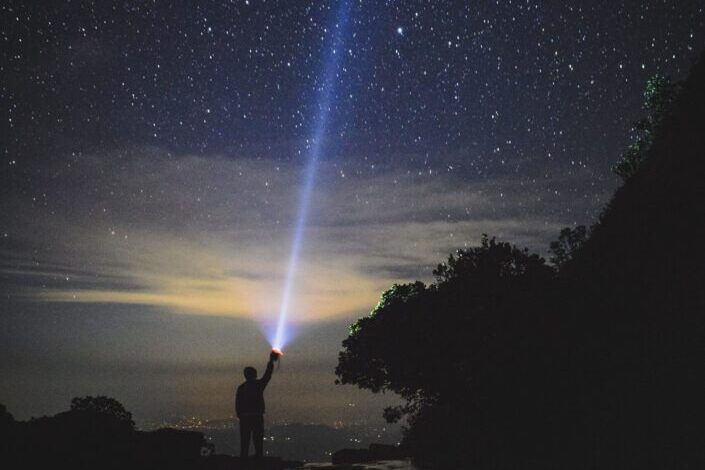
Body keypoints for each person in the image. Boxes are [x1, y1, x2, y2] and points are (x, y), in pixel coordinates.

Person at [236, 350, 279, 460]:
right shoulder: (258, 385)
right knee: (258, 440)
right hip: (256, 416)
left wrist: (241, 415)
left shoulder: (241, 388)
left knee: (245, 441)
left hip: (245, 417)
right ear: (254, 374)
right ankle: (258, 459)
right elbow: (267, 375)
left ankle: (243, 460)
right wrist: (271, 361)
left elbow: (237, 404)